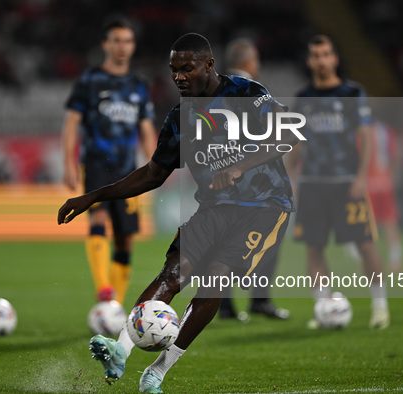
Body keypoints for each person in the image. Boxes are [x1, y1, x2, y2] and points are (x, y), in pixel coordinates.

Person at [58, 32, 300, 392]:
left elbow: (290, 133)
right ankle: (120, 351)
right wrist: (92, 197)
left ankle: (158, 370)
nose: (178, 77)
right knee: (173, 274)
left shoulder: (246, 94)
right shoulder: (179, 119)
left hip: (264, 207)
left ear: (209, 65)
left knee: (214, 279)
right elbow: (153, 174)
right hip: (214, 209)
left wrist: (239, 167)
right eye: (173, 70)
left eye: (186, 69)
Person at [287, 35, 390, 329]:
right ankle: (324, 308)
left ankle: (380, 306)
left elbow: (367, 136)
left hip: (347, 182)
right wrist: (291, 178)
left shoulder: (352, 92)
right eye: (316, 55)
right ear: (309, 61)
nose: (321, 60)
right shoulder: (303, 98)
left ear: (334, 58)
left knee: (366, 244)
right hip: (313, 184)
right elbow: (296, 142)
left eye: (326, 54)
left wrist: (361, 177)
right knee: (313, 247)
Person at [61, 19, 156, 305]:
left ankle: (113, 306)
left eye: (127, 41)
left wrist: (154, 167)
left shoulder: (138, 85)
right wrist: (68, 163)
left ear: (133, 45)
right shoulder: (90, 81)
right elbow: (71, 123)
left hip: (129, 169)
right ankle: (103, 288)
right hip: (97, 164)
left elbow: (147, 128)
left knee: (126, 238)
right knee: (98, 217)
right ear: (105, 44)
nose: (122, 46)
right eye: (116, 40)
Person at [219, 37, 290, 321]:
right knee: (269, 237)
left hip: (220, 176)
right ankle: (260, 300)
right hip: (257, 179)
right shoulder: (254, 90)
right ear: (249, 62)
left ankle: (224, 304)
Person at [345, 120, 403, 273]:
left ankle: (360, 256)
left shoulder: (359, 131)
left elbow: (355, 156)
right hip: (384, 181)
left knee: (362, 221)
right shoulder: (386, 130)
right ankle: (395, 257)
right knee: (389, 220)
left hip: (366, 182)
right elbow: (393, 155)